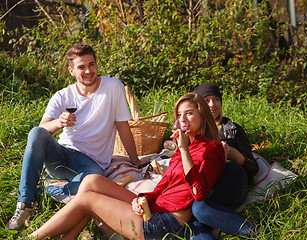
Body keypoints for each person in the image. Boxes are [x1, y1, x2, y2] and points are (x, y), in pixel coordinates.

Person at [27, 93, 225, 240]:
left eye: (189, 113)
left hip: (166, 224)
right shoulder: (184, 148)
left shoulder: (212, 150)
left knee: (87, 199)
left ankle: (33, 238)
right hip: (153, 208)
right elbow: (162, 187)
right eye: (179, 114)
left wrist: (183, 150)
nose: (182, 119)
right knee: (91, 181)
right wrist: (140, 200)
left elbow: (199, 193)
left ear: (202, 115)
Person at [6, 43, 145, 231]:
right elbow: (41, 129)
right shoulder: (62, 96)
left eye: (92, 64)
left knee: (93, 188)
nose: (88, 71)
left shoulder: (113, 87)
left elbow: (123, 126)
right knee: (36, 132)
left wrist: (136, 161)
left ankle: (41, 191)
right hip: (61, 154)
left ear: (97, 65)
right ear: (72, 71)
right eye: (81, 67)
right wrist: (58, 122)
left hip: (91, 163)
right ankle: (24, 204)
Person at [190, 83, 259, 239]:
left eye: (216, 99)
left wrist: (238, 157)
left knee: (200, 209)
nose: (213, 105)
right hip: (204, 180)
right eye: (207, 100)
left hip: (231, 176)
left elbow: (254, 167)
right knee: (192, 223)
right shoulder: (192, 130)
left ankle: (254, 231)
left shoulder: (233, 130)